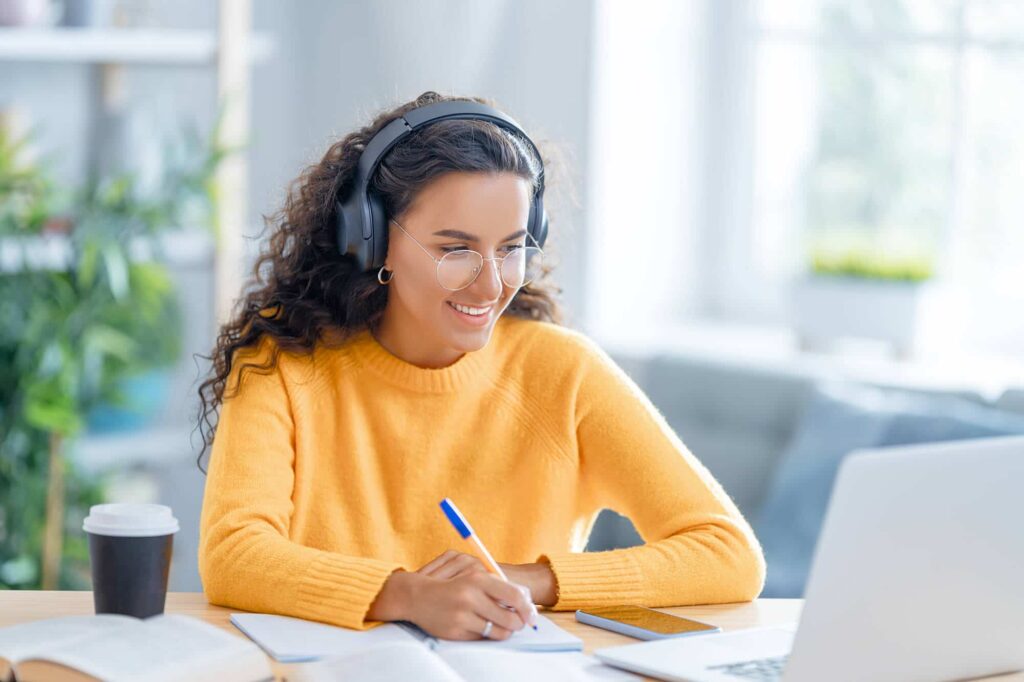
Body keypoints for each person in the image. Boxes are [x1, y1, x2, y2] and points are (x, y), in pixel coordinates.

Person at [196, 90, 765, 642]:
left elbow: (727, 553)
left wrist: (524, 580)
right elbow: (234, 555)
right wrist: (408, 594)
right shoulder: (285, 362)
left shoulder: (563, 371)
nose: (493, 285)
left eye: (512, 248)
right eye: (456, 249)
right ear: (373, 241)